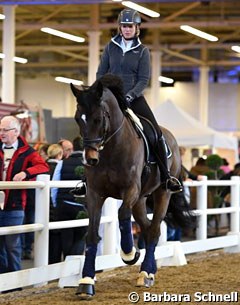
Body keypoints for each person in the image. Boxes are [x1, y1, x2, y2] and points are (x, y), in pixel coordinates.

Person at [96, 8, 182, 193]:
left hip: (133, 98)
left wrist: (130, 95)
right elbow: (101, 73)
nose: (127, 29)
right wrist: (101, 93)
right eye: (124, 26)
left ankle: (166, 176)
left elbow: (143, 80)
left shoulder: (142, 51)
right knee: (93, 128)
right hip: (110, 98)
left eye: (130, 26)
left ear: (137, 28)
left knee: (155, 133)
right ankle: (86, 179)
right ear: (120, 28)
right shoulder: (110, 48)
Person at [0, 116, 49, 284]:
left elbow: (43, 166)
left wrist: (26, 173)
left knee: (12, 246)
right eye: (0, 130)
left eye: (5, 130)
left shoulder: (27, 151)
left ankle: (14, 283)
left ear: (15, 132)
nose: (1, 133)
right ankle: (2, 281)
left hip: (15, 206)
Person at [50, 136, 87, 262]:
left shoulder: (62, 163)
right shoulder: (90, 163)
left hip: (64, 205)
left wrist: (56, 204)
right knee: (81, 237)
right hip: (83, 206)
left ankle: (67, 262)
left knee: (66, 236)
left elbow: (54, 187)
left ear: (73, 149)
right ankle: (72, 263)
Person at [46, 143, 64, 264]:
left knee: (47, 237)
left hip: (43, 208)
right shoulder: (60, 167)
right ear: (59, 154)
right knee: (57, 237)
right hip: (56, 206)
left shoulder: (43, 166)